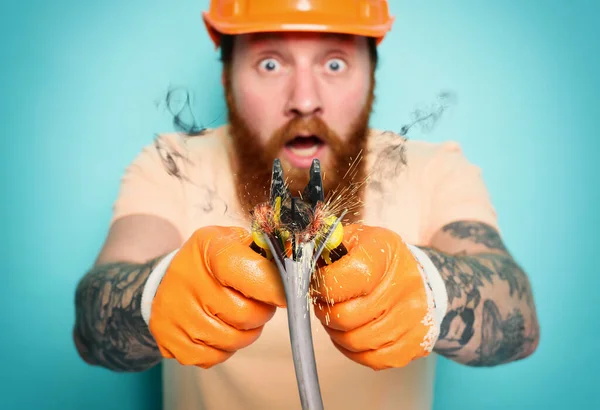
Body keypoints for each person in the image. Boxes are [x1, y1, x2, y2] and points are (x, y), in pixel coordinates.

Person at [72, 1, 541, 409]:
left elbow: (519, 324)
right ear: (226, 76)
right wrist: (153, 293)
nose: (304, 100)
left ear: (371, 75)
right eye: (270, 64)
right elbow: (91, 328)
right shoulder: (170, 163)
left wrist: (433, 290)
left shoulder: (435, 168)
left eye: (334, 64)